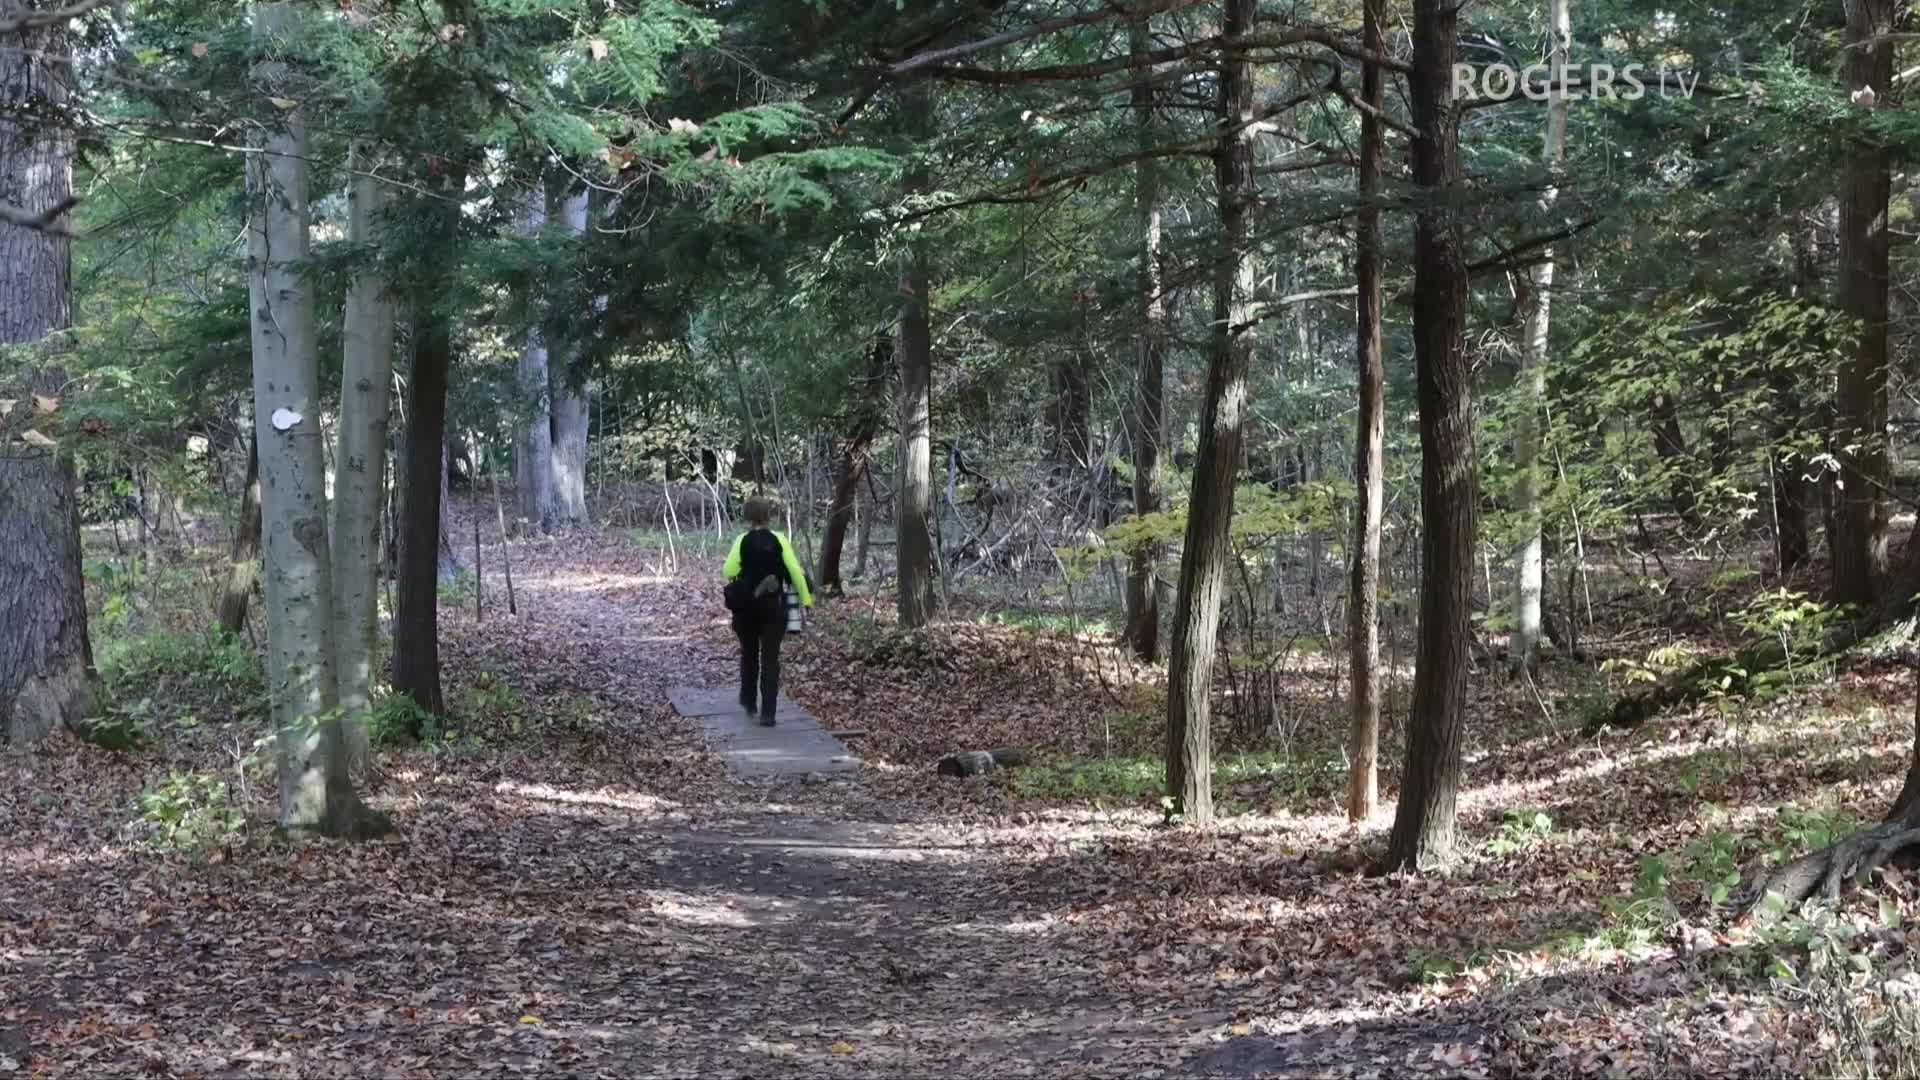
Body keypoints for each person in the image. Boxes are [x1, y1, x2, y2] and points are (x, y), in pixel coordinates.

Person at [721, 495, 813, 726]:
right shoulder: (779, 539)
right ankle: (768, 713)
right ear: (768, 516)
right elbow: (795, 571)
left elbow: (728, 570)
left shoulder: (742, 540)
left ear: (747, 517)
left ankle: (749, 701)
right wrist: (806, 601)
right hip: (774, 607)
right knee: (770, 659)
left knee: (749, 654)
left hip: (747, 610)